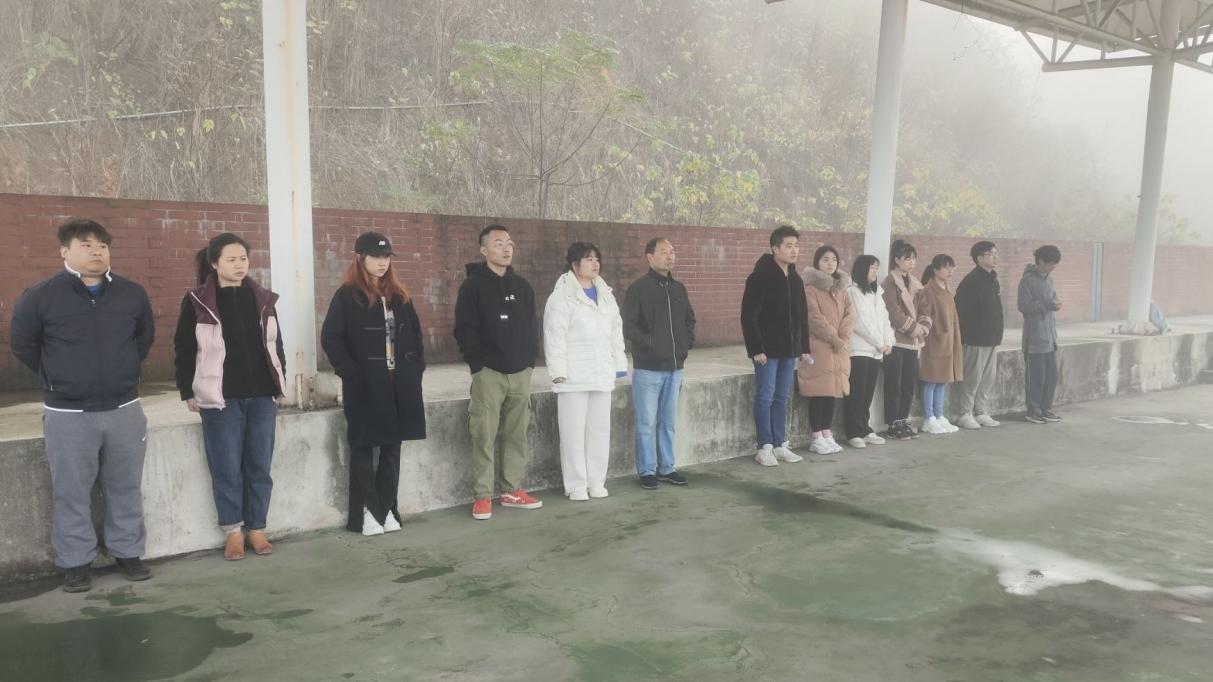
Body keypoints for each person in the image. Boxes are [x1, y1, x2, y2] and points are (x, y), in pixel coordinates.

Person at [10, 219, 155, 592]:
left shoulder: (131, 294)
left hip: (124, 408)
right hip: (69, 414)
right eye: (86, 244)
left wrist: (122, 372)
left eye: (102, 245)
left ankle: (128, 552)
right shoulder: (40, 296)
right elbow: (24, 345)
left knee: (125, 485)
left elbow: (143, 340)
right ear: (64, 251)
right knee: (71, 490)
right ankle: (75, 561)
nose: (97, 251)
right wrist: (59, 376)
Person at [173, 233, 287, 559]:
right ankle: (233, 532)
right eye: (231, 259)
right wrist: (187, 391)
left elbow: (275, 343)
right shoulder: (198, 302)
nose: (239, 265)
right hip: (220, 398)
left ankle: (257, 528)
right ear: (214, 263)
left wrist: (279, 380)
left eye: (243, 259)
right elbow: (184, 348)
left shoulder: (262, 299)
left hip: (262, 395)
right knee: (225, 466)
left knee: (259, 465)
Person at [321, 232, 427, 536]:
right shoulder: (346, 295)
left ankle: (387, 508)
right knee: (364, 446)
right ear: (360, 258)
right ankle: (366, 512)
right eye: (376, 257)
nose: (383, 262)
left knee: (393, 448)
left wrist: (415, 369)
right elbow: (331, 337)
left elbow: (416, 336)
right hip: (365, 384)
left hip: (400, 384)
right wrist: (351, 372)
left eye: (386, 257)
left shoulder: (399, 296)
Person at [454, 224, 544, 519]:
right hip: (488, 373)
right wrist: (477, 366)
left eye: (509, 243)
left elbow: (532, 326)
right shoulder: (472, 287)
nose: (506, 249)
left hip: (520, 373)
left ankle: (511, 490)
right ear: (484, 250)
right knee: (483, 434)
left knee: (516, 434)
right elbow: (464, 329)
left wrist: (529, 362)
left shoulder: (523, 287)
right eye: (498, 244)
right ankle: (482, 496)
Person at [543, 242, 628, 501]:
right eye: (588, 259)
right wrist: (557, 371)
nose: (595, 263)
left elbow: (616, 333)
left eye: (597, 259)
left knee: (599, 431)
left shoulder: (606, 295)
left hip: (601, 373)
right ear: (574, 264)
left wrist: (619, 364)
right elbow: (554, 335)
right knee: (573, 433)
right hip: (573, 376)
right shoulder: (562, 296)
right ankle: (576, 485)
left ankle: (596, 481)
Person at [622, 237, 695, 490]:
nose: (670, 256)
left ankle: (667, 468)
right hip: (648, 369)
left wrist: (684, 345)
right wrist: (651, 345)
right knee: (646, 423)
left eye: (672, 251)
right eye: (664, 252)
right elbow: (629, 326)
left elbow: (689, 320)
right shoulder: (638, 289)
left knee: (668, 423)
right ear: (650, 257)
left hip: (675, 368)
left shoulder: (678, 289)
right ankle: (647, 471)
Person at [740, 225, 812, 467]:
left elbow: (802, 317)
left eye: (796, 246)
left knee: (782, 397)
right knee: (765, 396)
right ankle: (764, 446)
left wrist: (803, 347)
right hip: (767, 351)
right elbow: (749, 315)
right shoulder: (760, 277)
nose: (794, 251)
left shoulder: (796, 280)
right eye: (788, 246)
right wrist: (756, 349)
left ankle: (780, 444)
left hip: (788, 351)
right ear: (775, 248)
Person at [798, 245, 854, 455]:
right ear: (817, 263)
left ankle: (827, 432)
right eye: (825, 260)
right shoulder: (810, 290)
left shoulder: (841, 291)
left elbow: (849, 315)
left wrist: (843, 338)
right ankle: (816, 436)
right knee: (818, 393)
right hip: (819, 347)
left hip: (838, 349)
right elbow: (814, 318)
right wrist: (835, 338)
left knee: (832, 393)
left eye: (834, 260)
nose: (830, 264)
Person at [881, 239, 931, 441]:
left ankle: (903, 419)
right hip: (896, 340)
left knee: (908, 384)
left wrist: (924, 326)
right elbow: (893, 312)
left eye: (913, 259)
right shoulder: (889, 283)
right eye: (907, 259)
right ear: (896, 260)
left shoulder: (916, 283)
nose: (912, 263)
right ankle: (892, 423)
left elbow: (925, 308)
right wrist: (915, 328)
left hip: (913, 342)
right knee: (893, 383)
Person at [844, 254, 895, 449]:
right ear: (861, 269)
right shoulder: (853, 292)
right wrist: (879, 342)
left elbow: (885, 320)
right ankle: (853, 432)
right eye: (872, 268)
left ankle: (864, 429)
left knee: (867, 394)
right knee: (856, 393)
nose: (875, 272)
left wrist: (888, 341)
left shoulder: (877, 294)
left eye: (876, 268)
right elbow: (859, 322)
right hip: (859, 350)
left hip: (876, 351)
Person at [953, 241, 1004, 430]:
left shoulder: (993, 280)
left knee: (987, 378)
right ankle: (964, 413)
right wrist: (967, 335)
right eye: (991, 254)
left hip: (992, 338)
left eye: (996, 253)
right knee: (972, 378)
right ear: (979, 258)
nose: (995, 257)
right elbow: (960, 311)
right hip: (975, 339)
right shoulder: (971, 281)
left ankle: (980, 411)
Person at [917, 254, 963, 435]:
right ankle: (929, 418)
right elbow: (925, 315)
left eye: (952, 268)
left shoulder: (947, 289)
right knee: (931, 380)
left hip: (948, 341)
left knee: (942, 380)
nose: (950, 271)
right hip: (934, 341)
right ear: (935, 270)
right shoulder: (928, 290)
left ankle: (938, 414)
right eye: (946, 267)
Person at [1017, 245, 1063, 424]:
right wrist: (1047, 305)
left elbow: (1053, 299)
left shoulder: (1049, 279)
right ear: (1041, 262)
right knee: (1036, 377)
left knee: (1051, 376)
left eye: (1055, 264)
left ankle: (1045, 408)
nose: (1053, 267)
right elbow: (1023, 306)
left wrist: (1056, 303)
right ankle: (1033, 410)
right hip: (1034, 339)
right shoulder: (1027, 281)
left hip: (1050, 337)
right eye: (1051, 264)